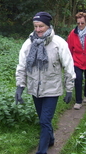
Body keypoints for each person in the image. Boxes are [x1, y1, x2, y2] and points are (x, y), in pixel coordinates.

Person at [15, 12, 76, 154]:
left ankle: (41, 151)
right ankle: (51, 139)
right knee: (44, 121)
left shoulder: (59, 43)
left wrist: (69, 89)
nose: (38, 29)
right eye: (35, 26)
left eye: (41, 26)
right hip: (35, 89)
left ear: (48, 25)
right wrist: (20, 87)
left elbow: (68, 66)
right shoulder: (28, 43)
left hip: (52, 89)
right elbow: (22, 66)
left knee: (44, 121)